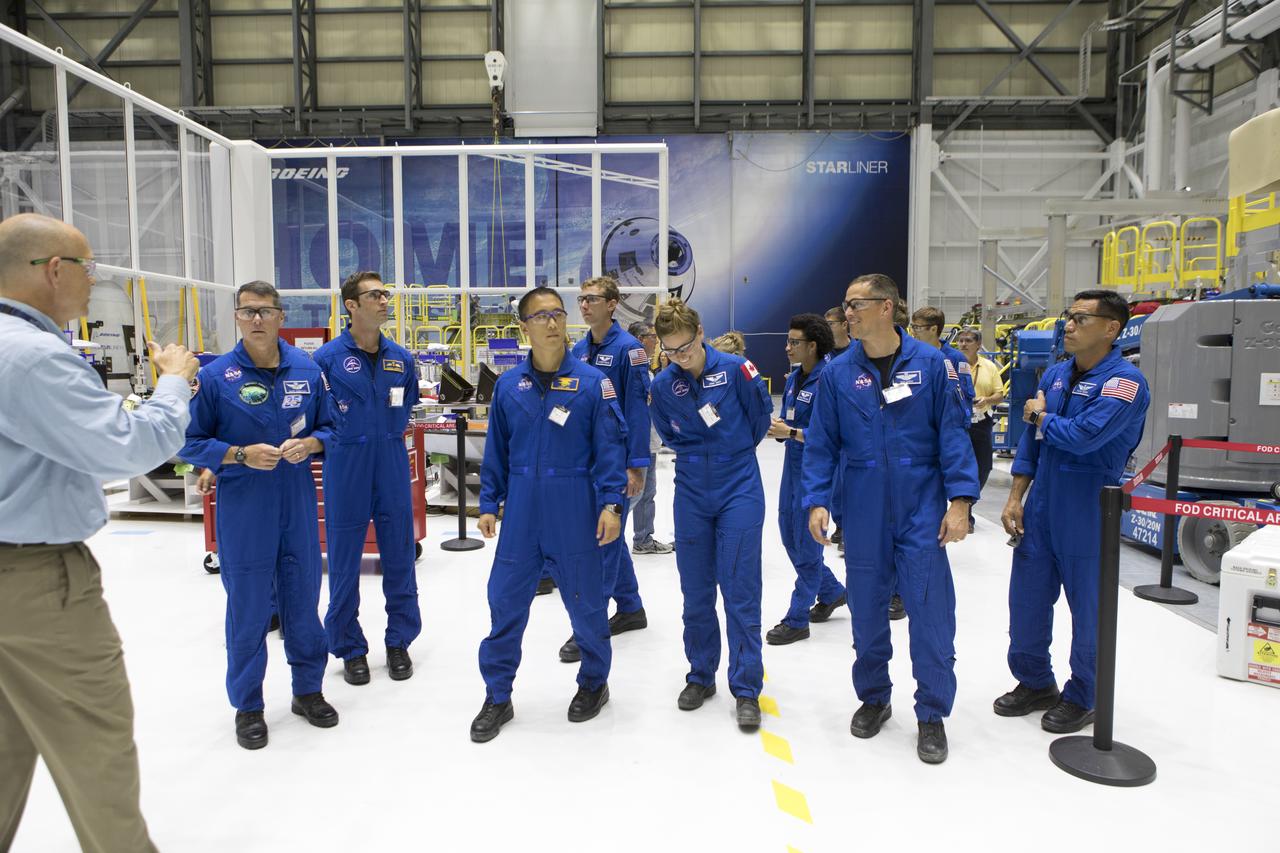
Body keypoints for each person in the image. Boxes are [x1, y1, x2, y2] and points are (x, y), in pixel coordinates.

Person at [0, 213, 198, 853]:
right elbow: (131, 447)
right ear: (53, 270)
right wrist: (173, 382)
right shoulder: (31, 358)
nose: (94, 283)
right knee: (96, 749)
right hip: (33, 584)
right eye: (90, 268)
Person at [802, 273, 978, 765]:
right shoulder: (838, 372)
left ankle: (931, 713)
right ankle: (874, 697)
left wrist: (960, 502)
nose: (847, 313)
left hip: (921, 502)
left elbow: (953, 434)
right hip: (862, 504)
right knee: (867, 608)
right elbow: (820, 443)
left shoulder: (933, 365)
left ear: (887, 307)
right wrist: (817, 499)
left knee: (929, 610)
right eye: (845, 304)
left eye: (856, 304)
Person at [181, 281, 338, 750]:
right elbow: (189, 440)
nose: (256, 319)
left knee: (302, 598)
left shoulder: (307, 372)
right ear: (236, 316)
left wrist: (310, 443)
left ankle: (307, 690)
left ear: (279, 316)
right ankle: (248, 705)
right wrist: (236, 455)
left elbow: (332, 428)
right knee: (248, 607)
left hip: (295, 499)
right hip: (244, 503)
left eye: (265, 311)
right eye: (248, 311)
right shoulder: (216, 378)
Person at [470, 287, 627, 742]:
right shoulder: (508, 386)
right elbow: (496, 451)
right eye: (541, 317)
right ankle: (498, 695)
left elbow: (610, 452)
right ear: (524, 328)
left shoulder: (593, 384)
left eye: (558, 314)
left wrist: (612, 505)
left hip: (574, 508)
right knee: (504, 603)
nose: (553, 323)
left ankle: (594, 682)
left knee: (587, 604)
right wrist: (487, 503)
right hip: (521, 512)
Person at [996, 290, 1149, 734]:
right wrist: (1014, 496)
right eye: (1069, 316)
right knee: (1026, 600)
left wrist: (1040, 418)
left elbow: (1085, 436)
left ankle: (1084, 694)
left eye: (1081, 318)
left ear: (1111, 328)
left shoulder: (1125, 383)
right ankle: (1035, 681)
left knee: (1089, 610)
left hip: (1089, 507)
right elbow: (1031, 443)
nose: (1069, 325)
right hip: (1042, 504)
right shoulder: (1058, 373)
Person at [649, 299, 773, 730]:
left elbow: (760, 419)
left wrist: (729, 453)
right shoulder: (664, 385)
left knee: (740, 589)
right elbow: (666, 432)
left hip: (738, 484)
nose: (680, 358)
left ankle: (746, 687)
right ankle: (701, 675)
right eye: (671, 352)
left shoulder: (738, 369)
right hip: (691, 492)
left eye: (685, 348)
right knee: (696, 591)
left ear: (700, 332)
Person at [312, 271, 421, 686]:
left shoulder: (401, 359)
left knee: (399, 554)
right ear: (351, 306)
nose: (384, 300)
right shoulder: (325, 360)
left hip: (390, 458)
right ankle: (349, 646)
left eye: (385, 293)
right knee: (343, 561)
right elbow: (316, 419)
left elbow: (406, 402)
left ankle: (399, 641)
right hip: (347, 463)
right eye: (374, 295)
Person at [558, 276, 651, 664]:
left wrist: (636, 465)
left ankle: (590, 626)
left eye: (592, 299)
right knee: (605, 536)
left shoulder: (630, 351)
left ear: (613, 304)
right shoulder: (579, 349)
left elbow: (637, 409)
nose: (584, 305)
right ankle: (630, 607)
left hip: (616, 462)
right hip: (585, 462)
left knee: (602, 542)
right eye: (580, 299)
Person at [765, 314, 846, 645]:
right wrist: (779, 428)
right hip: (793, 465)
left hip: (821, 471)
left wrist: (793, 432)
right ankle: (831, 591)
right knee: (789, 535)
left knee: (809, 545)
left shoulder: (832, 379)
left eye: (793, 342)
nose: (787, 347)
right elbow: (791, 420)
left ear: (812, 345)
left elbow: (837, 437)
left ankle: (797, 618)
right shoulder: (794, 378)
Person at [627, 318, 674, 555]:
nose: (656, 341)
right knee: (632, 496)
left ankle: (643, 539)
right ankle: (603, 536)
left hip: (651, 443)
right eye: (652, 337)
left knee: (647, 494)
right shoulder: (633, 370)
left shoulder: (646, 369)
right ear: (639, 339)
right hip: (639, 444)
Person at [953, 328, 1005, 503]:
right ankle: (960, 507)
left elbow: (1000, 395)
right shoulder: (950, 364)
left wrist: (987, 399)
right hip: (957, 422)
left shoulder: (989, 367)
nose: (963, 344)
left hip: (981, 421)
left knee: (983, 466)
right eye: (961, 340)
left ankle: (969, 504)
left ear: (978, 345)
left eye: (968, 340)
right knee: (957, 465)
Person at [823, 307, 851, 551]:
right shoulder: (823, 356)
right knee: (832, 482)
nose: (827, 329)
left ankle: (845, 527)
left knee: (847, 481)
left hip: (852, 426)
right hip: (827, 425)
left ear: (844, 324)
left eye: (830, 324)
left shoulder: (859, 352)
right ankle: (840, 524)